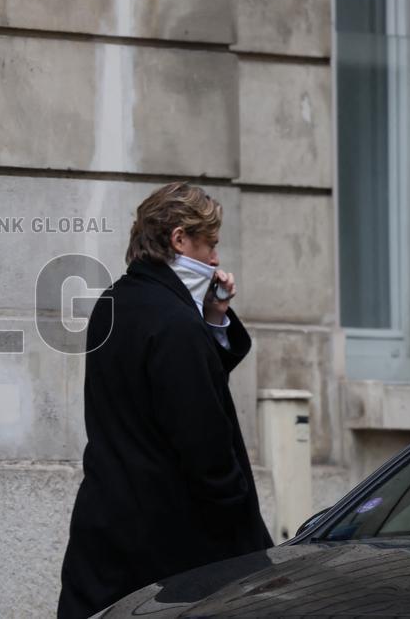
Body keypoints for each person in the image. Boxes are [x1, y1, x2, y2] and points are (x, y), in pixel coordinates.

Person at [58, 182, 272, 617]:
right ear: (178, 239)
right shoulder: (174, 322)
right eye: (209, 244)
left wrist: (213, 317)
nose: (215, 259)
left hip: (106, 530)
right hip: (167, 542)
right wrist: (242, 522)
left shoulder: (112, 303)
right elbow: (204, 442)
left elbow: (165, 389)